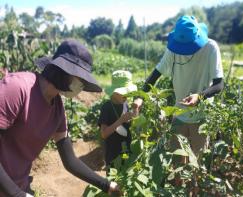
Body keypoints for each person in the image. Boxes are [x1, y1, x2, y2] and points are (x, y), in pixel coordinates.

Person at [0, 39, 121, 197]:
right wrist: (16, 194)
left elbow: (70, 160)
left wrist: (106, 185)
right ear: (64, 71)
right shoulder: (18, 88)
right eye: (80, 79)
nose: (81, 86)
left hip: (17, 187)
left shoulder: (57, 109)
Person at [134, 15, 224, 156]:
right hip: (179, 114)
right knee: (177, 162)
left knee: (197, 163)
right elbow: (155, 75)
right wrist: (141, 97)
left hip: (201, 117)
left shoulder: (210, 48)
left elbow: (219, 84)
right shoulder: (173, 49)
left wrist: (199, 97)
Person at [98, 70, 138, 170]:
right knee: (114, 178)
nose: (127, 96)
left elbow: (133, 119)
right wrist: (120, 121)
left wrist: (135, 109)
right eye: (124, 93)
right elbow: (103, 134)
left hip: (125, 150)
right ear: (115, 92)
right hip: (113, 154)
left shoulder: (125, 104)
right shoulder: (106, 107)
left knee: (125, 173)